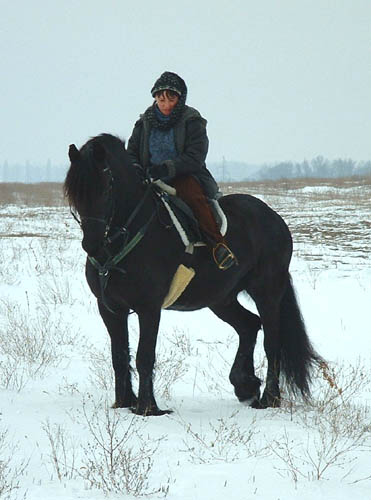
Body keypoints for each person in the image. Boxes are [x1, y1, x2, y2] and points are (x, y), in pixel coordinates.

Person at [127, 71, 237, 270]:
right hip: (148, 177)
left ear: (180, 98)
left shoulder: (192, 120)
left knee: (194, 198)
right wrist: (135, 167)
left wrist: (167, 168)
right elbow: (132, 151)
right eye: (161, 98)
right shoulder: (143, 123)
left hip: (184, 175)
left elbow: (195, 156)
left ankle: (218, 246)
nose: (166, 104)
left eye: (171, 98)